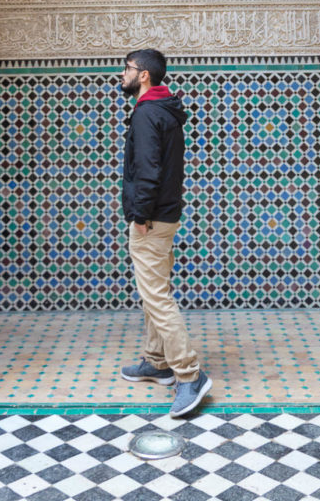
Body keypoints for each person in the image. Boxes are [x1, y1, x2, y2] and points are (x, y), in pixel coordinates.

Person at [119, 47, 212, 417]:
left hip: (152, 220)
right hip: (166, 215)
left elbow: (148, 169)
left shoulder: (147, 115)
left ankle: (189, 374)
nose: (121, 75)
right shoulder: (167, 109)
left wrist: (139, 215)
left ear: (144, 76)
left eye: (127, 69)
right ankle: (156, 361)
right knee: (155, 289)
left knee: (157, 297)